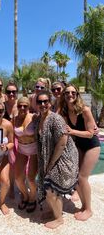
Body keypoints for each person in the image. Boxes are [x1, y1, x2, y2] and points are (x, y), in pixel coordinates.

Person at [36, 90, 79, 229]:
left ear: (50, 102)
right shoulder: (39, 118)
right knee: (48, 186)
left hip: (63, 158)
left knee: (51, 189)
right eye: (40, 102)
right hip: (50, 157)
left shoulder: (55, 118)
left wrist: (51, 163)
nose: (43, 104)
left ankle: (59, 218)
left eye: (45, 101)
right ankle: (54, 211)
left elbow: (62, 142)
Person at [59, 84, 100, 221]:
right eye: (67, 93)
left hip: (91, 146)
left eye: (73, 92)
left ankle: (88, 209)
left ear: (77, 95)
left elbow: (90, 134)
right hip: (79, 146)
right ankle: (83, 206)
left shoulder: (85, 110)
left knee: (82, 177)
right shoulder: (65, 112)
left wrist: (72, 131)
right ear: (64, 96)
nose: (70, 95)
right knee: (76, 177)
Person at [14, 97, 38, 213]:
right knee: (18, 178)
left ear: (29, 107)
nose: (22, 108)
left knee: (31, 178)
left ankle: (33, 198)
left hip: (34, 150)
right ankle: (25, 195)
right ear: (17, 106)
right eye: (20, 106)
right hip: (21, 149)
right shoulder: (14, 119)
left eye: (25, 106)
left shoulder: (34, 117)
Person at [4, 81, 18, 198]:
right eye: (9, 92)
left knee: (14, 164)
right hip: (3, 139)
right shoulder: (1, 106)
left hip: (17, 139)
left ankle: (12, 186)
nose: (11, 94)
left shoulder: (21, 105)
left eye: (14, 91)